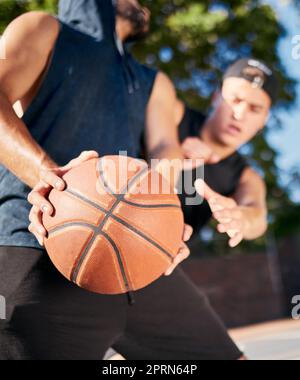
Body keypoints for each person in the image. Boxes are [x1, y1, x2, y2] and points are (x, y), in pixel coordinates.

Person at [0, 0, 243, 360]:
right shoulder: (43, 28)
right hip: (38, 242)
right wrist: (50, 179)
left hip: (135, 253)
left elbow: (165, 150)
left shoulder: (152, 81)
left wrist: (165, 219)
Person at [176, 58, 277, 249]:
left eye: (254, 109)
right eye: (235, 100)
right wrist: (173, 155)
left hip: (164, 257)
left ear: (264, 120)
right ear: (216, 97)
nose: (239, 114)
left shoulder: (245, 177)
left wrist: (241, 218)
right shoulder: (174, 115)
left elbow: (257, 216)